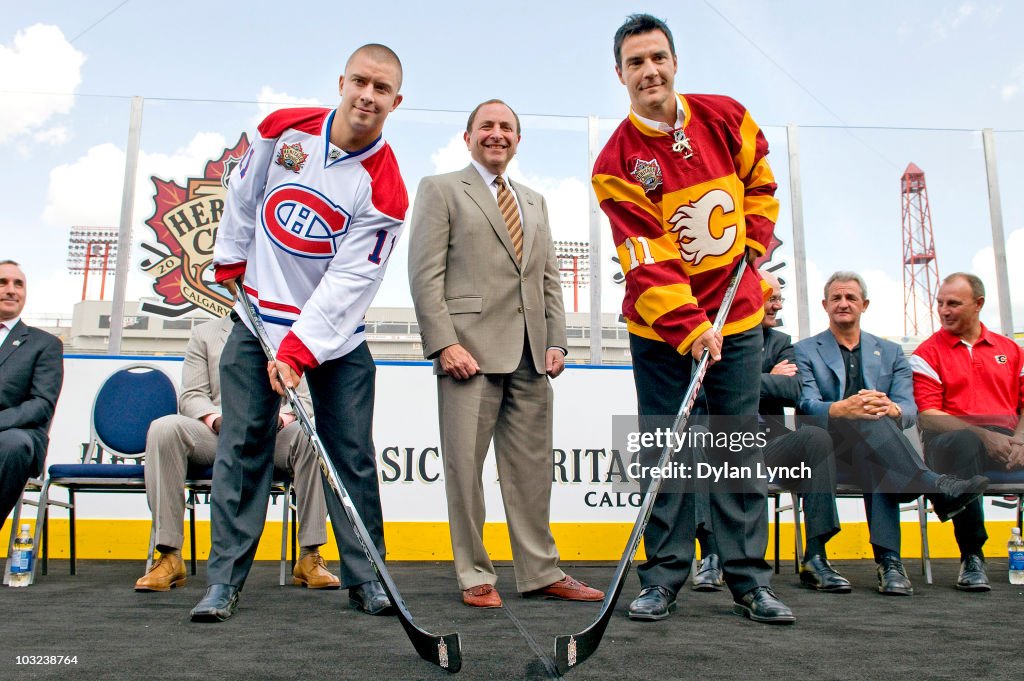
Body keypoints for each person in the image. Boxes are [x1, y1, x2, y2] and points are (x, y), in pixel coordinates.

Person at [192, 44, 407, 622]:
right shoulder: (283, 130)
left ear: (395, 101)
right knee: (241, 447)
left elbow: (347, 284)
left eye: (381, 88)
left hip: (333, 340)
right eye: (360, 81)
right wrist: (231, 257)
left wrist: (298, 350)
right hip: (256, 319)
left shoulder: (385, 190)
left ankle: (369, 577)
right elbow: (243, 195)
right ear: (341, 81)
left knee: (350, 456)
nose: (367, 94)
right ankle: (224, 582)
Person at [592, 13, 793, 624]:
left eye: (657, 57)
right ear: (620, 74)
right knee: (666, 451)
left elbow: (760, 181)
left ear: (674, 62)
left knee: (735, 449)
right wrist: (688, 325)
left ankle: (747, 580)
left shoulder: (726, 116)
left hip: (737, 316)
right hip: (661, 331)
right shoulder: (615, 160)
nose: (648, 70)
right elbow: (645, 256)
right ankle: (665, 576)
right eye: (635, 62)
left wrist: (755, 241)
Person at [408, 99, 603, 608]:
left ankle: (540, 571)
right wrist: (445, 342)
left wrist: (557, 340)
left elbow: (548, 279)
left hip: (531, 358)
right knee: (464, 472)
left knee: (533, 474)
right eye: (487, 126)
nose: (497, 134)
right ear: (467, 135)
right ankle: (474, 572)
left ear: (517, 140)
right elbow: (424, 275)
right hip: (467, 356)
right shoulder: (441, 189)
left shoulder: (534, 201)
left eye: (507, 128)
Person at [795, 271, 988, 596]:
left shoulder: (891, 352)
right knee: (873, 425)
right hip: (827, 449)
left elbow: (909, 409)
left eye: (851, 298)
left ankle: (891, 565)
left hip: (881, 450)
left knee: (877, 434)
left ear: (864, 304)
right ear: (824, 305)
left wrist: (890, 409)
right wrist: (848, 408)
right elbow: (806, 404)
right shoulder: (804, 350)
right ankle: (899, 546)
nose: (844, 304)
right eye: (837, 298)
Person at [134, 315, 338, 592]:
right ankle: (169, 556)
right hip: (218, 432)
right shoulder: (204, 334)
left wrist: (276, 420)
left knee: (311, 436)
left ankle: (310, 556)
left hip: (274, 433)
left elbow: (302, 399)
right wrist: (217, 420)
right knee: (164, 428)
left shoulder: (291, 333)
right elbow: (192, 395)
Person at [693, 270, 848, 593]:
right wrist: (767, 379)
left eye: (779, 298)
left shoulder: (781, 343)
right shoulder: (712, 337)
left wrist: (740, 382)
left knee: (816, 437)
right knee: (699, 444)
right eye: (770, 297)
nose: (776, 305)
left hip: (770, 450)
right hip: (724, 446)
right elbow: (703, 390)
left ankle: (816, 558)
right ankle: (711, 557)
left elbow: (792, 389)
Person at [911, 272, 1024, 591]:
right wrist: (984, 435)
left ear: (978, 304)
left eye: (953, 304)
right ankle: (972, 556)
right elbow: (929, 416)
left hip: (1009, 441)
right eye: (940, 303)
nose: (944, 310)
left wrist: (1020, 439)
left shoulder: (1011, 350)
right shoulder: (926, 353)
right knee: (964, 442)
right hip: (950, 442)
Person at [0, 260, 63, 525]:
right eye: (3, 283)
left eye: (18, 284)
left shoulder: (45, 344)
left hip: (18, 435)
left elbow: (41, 404)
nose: (11, 290)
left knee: (11, 445)